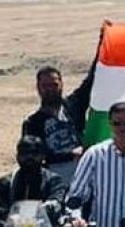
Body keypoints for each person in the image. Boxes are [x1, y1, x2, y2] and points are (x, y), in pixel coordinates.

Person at [22, 64, 93, 194]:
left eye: (54, 85)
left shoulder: (74, 106)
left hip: (85, 179)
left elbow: (90, 81)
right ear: (38, 88)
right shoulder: (32, 123)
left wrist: (103, 46)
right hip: (56, 186)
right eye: (45, 86)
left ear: (61, 84)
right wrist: (71, 155)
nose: (50, 89)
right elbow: (34, 157)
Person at [0, 134, 69, 222]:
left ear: (43, 156)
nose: (30, 157)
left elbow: (55, 205)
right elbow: (0, 211)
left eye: (35, 153)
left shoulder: (54, 180)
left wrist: (37, 215)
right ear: (17, 156)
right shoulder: (6, 182)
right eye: (24, 153)